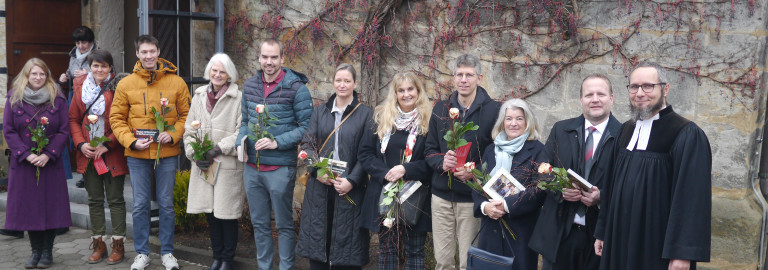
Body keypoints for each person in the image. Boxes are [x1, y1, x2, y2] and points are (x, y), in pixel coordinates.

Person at [594, 62, 712, 270]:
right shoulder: (625, 130)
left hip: (656, 246)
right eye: (634, 87)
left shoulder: (686, 134)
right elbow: (610, 187)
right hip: (619, 241)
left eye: (648, 86)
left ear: (665, 89)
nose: (640, 93)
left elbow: (692, 199)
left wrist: (682, 253)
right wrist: (602, 232)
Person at [110, 35, 190, 270]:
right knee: (140, 204)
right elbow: (116, 118)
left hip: (166, 152)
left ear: (158, 52)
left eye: (152, 51)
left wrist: (174, 133)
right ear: (137, 54)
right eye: (143, 52)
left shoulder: (177, 82)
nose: (148, 56)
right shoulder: (126, 84)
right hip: (137, 154)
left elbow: (187, 115)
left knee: (166, 203)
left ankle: (167, 252)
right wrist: (131, 142)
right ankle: (142, 253)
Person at [528, 74, 621, 270]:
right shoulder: (561, 130)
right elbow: (541, 172)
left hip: (599, 237)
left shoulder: (624, 136)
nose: (595, 99)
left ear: (611, 98)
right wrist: (560, 191)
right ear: (581, 100)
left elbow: (628, 185)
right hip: (559, 234)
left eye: (601, 94)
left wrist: (601, 197)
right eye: (589, 95)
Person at [234, 38, 313, 270]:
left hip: (280, 167)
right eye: (265, 57)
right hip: (252, 168)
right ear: (259, 58)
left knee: (284, 225)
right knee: (259, 224)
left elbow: (307, 128)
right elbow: (245, 122)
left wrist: (276, 142)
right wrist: (241, 144)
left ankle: (286, 268)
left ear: (282, 59)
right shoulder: (249, 86)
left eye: (274, 57)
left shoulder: (296, 88)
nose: (269, 62)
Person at [424, 53, 500, 270]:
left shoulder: (493, 110)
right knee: (443, 261)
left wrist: (474, 171)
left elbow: (497, 156)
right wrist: (442, 162)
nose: (464, 80)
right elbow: (429, 149)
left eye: (469, 75)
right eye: (459, 75)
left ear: (479, 78)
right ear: (453, 77)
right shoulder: (441, 108)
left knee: (470, 263)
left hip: (471, 197)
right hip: (441, 197)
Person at [296, 63, 372, 270]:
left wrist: (352, 180)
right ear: (333, 82)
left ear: (355, 84)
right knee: (320, 242)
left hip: (349, 188)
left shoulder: (365, 114)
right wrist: (317, 171)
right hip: (320, 187)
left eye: (347, 80)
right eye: (339, 80)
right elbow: (307, 145)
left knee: (347, 247)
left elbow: (367, 153)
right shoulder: (320, 112)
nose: (342, 84)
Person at [358, 72, 433, 270]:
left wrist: (405, 170)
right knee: (387, 250)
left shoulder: (429, 121)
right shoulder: (381, 118)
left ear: (418, 91)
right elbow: (365, 154)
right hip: (384, 192)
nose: (406, 94)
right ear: (395, 93)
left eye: (411, 89)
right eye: (401, 90)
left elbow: (433, 160)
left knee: (415, 250)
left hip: (416, 196)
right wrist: (386, 173)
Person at [3, 58, 72, 269]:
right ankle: (35, 252)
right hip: (24, 164)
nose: (38, 78)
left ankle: (47, 253)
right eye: (34, 74)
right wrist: (26, 154)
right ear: (26, 75)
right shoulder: (14, 98)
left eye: (42, 74)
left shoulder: (57, 99)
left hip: (49, 164)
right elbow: (9, 130)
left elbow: (63, 130)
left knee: (50, 207)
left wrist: (48, 154)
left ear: (47, 76)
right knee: (30, 209)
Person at [183, 53, 244, 270]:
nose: (217, 75)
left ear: (229, 75)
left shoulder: (238, 98)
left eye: (222, 71)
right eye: (214, 70)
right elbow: (189, 129)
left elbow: (240, 132)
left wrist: (218, 148)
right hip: (205, 165)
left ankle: (227, 259)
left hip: (227, 165)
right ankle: (217, 256)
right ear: (209, 71)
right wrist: (194, 153)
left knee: (226, 215)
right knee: (210, 214)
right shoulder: (199, 95)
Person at [68, 50, 129, 265]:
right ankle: (98, 244)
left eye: (104, 66)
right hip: (88, 154)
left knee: (115, 200)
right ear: (90, 67)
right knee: (94, 200)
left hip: (111, 153)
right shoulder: (79, 88)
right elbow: (74, 119)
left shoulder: (120, 87)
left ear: (110, 68)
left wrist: (108, 143)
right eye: (96, 66)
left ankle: (118, 245)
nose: (99, 70)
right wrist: (81, 144)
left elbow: (125, 119)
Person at [471, 99, 544, 270]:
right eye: (509, 118)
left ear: (527, 122)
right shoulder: (491, 150)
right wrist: (483, 207)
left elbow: (540, 190)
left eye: (519, 118)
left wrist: (506, 205)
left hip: (521, 232)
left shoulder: (539, 150)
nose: (513, 123)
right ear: (502, 122)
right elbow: (478, 184)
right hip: (491, 229)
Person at [60, 26, 96, 189]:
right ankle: (83, 172)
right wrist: (64, 76)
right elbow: (69, 72)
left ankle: (94, 172)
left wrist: (87, 74)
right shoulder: (73, 54)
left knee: (90, 133)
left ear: (91, 42)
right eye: (78, 42)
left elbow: (109, 73)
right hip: (74, 96)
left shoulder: (98, 54)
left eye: (84, 42)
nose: (81, 46)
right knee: (75, 134)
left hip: (92, 99)